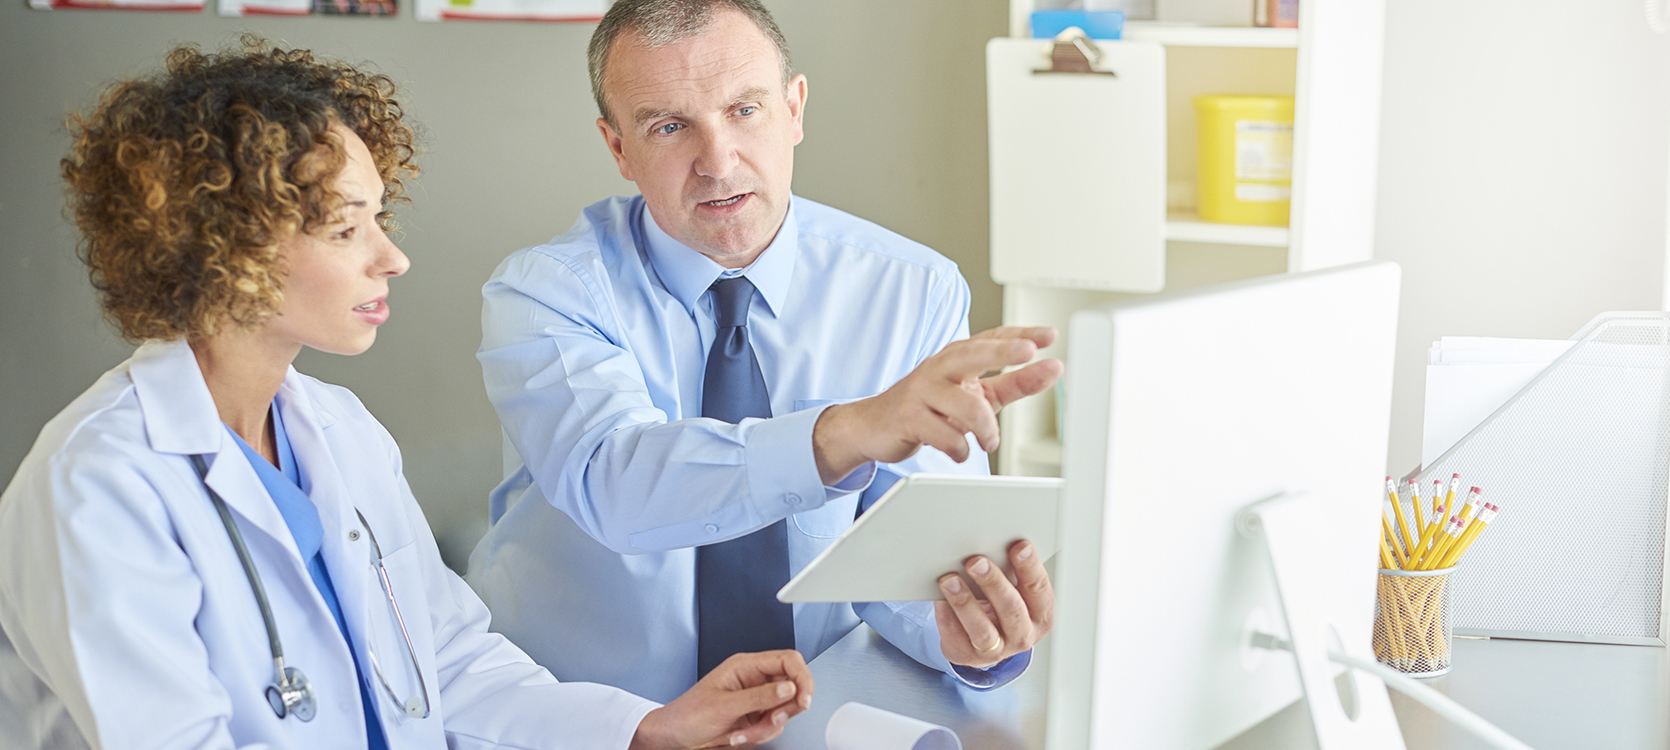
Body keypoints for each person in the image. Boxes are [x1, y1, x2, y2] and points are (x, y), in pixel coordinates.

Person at [0, 38, 813, 750]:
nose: (391, 258)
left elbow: (447, 665)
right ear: (226, 246)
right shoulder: (99, 483)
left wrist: (642, 729)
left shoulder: (339, 431)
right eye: (347, 229)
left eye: (381, 219)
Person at [468, 0, 1064, 705]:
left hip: (805, 716)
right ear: (618, 147)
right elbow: (616, 483)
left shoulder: (911, 289)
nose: (717, 162)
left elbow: (909, 556)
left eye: (744, 111)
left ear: (795, 109)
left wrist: (961, 635)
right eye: (669, 126)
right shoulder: (544, 292)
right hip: (586, 716)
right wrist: (843, 434)